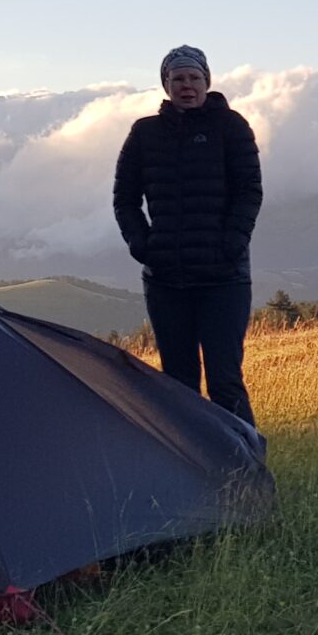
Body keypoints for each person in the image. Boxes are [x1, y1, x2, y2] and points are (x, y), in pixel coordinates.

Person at [112, 45, 263, 426]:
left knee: (225, 381)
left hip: (223, 278)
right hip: (166, 280)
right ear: (165, 84)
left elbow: (250, 191)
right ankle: (193, 469)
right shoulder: (144, 133)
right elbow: (124, 197)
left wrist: (231, 243)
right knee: (177, 384)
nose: (187, 86)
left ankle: (246, 468)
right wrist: (142, 245)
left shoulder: (231, 127)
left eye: (194, 78)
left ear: (207, 81)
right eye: (177, 78)